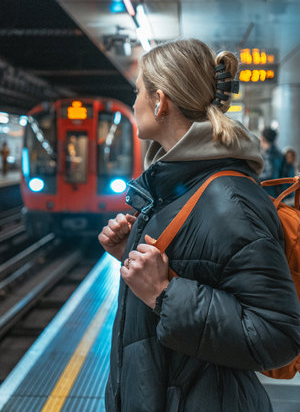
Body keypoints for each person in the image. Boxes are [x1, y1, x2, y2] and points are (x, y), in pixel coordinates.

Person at [98, 39, 300, 412]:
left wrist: (163, 293)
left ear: (160, 101)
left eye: (138, 91)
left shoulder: (228, 199)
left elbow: (279, 334)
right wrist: (130, 255)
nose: (134, 101)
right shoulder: (179, 186)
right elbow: (200, 268)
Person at [258, 127, 283, 196]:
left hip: (271, 194)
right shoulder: (277, 153)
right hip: (276, 193)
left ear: (263, 139)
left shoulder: (270, 155)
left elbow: (271, 175)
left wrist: (254, 176)